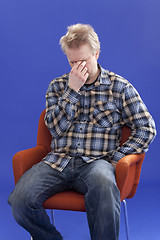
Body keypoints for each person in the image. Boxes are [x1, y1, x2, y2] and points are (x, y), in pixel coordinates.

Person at [8, 23, 156, 240]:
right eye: (72, 62)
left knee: (104, 186)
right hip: (58, 162)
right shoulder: (58, 87)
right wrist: (72, 90)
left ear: (96, 54)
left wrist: (116, 158)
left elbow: (147, 127)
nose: (78, 67)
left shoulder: (120, 88)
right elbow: (55, 130)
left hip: (97, 163)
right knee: (19, 201)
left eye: (83, 60)